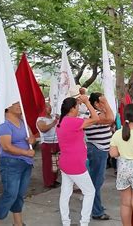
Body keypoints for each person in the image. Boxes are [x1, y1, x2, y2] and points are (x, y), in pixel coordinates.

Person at [0, 102, 36, 226]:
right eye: (15, 103)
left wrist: (32, 140)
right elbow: (6, 146)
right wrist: (25, 152)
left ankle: (18, 223)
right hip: (11, 163)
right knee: (10, 194)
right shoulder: (4, 123)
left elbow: (32, 137)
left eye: (20, 103)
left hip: (26, 163)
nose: (19, 105)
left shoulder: (23, 122)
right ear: (7, 105)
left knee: (19, 194)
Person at [56, 95, 99, 226]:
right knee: (90, 192)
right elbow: (96, 118)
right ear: (73, 108)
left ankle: (66, 221)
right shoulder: (72, 121)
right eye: (78, 105)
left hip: (65, 162)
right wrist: (87, 102)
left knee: (65, 193)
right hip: (75, 164)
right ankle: (84, 222)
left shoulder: (62, 121)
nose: (79, 108)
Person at [84, 92, 115, 220]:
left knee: (97, 180)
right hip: (97, 151)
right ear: (96, 103)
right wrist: (106, 104)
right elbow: (111, 119)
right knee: (96, 182)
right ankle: (96, 211)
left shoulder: (97, 113)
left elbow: (110, 117)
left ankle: (95, 206)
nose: (105, 103)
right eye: (102, 101)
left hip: (101, 150)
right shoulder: (92, 115)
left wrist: (104, 105)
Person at [37, 103, 60, 188]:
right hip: (47, 143)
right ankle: (48, 182)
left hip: (56, 142)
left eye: (50, 107)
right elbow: (43, 129)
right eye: (47, 107)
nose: (49, 109)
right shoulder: (40, 119)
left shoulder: (52, 117)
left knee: (55, 163)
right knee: (48, 164)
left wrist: (58, 119)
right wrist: (54, 123)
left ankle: (54, 179)